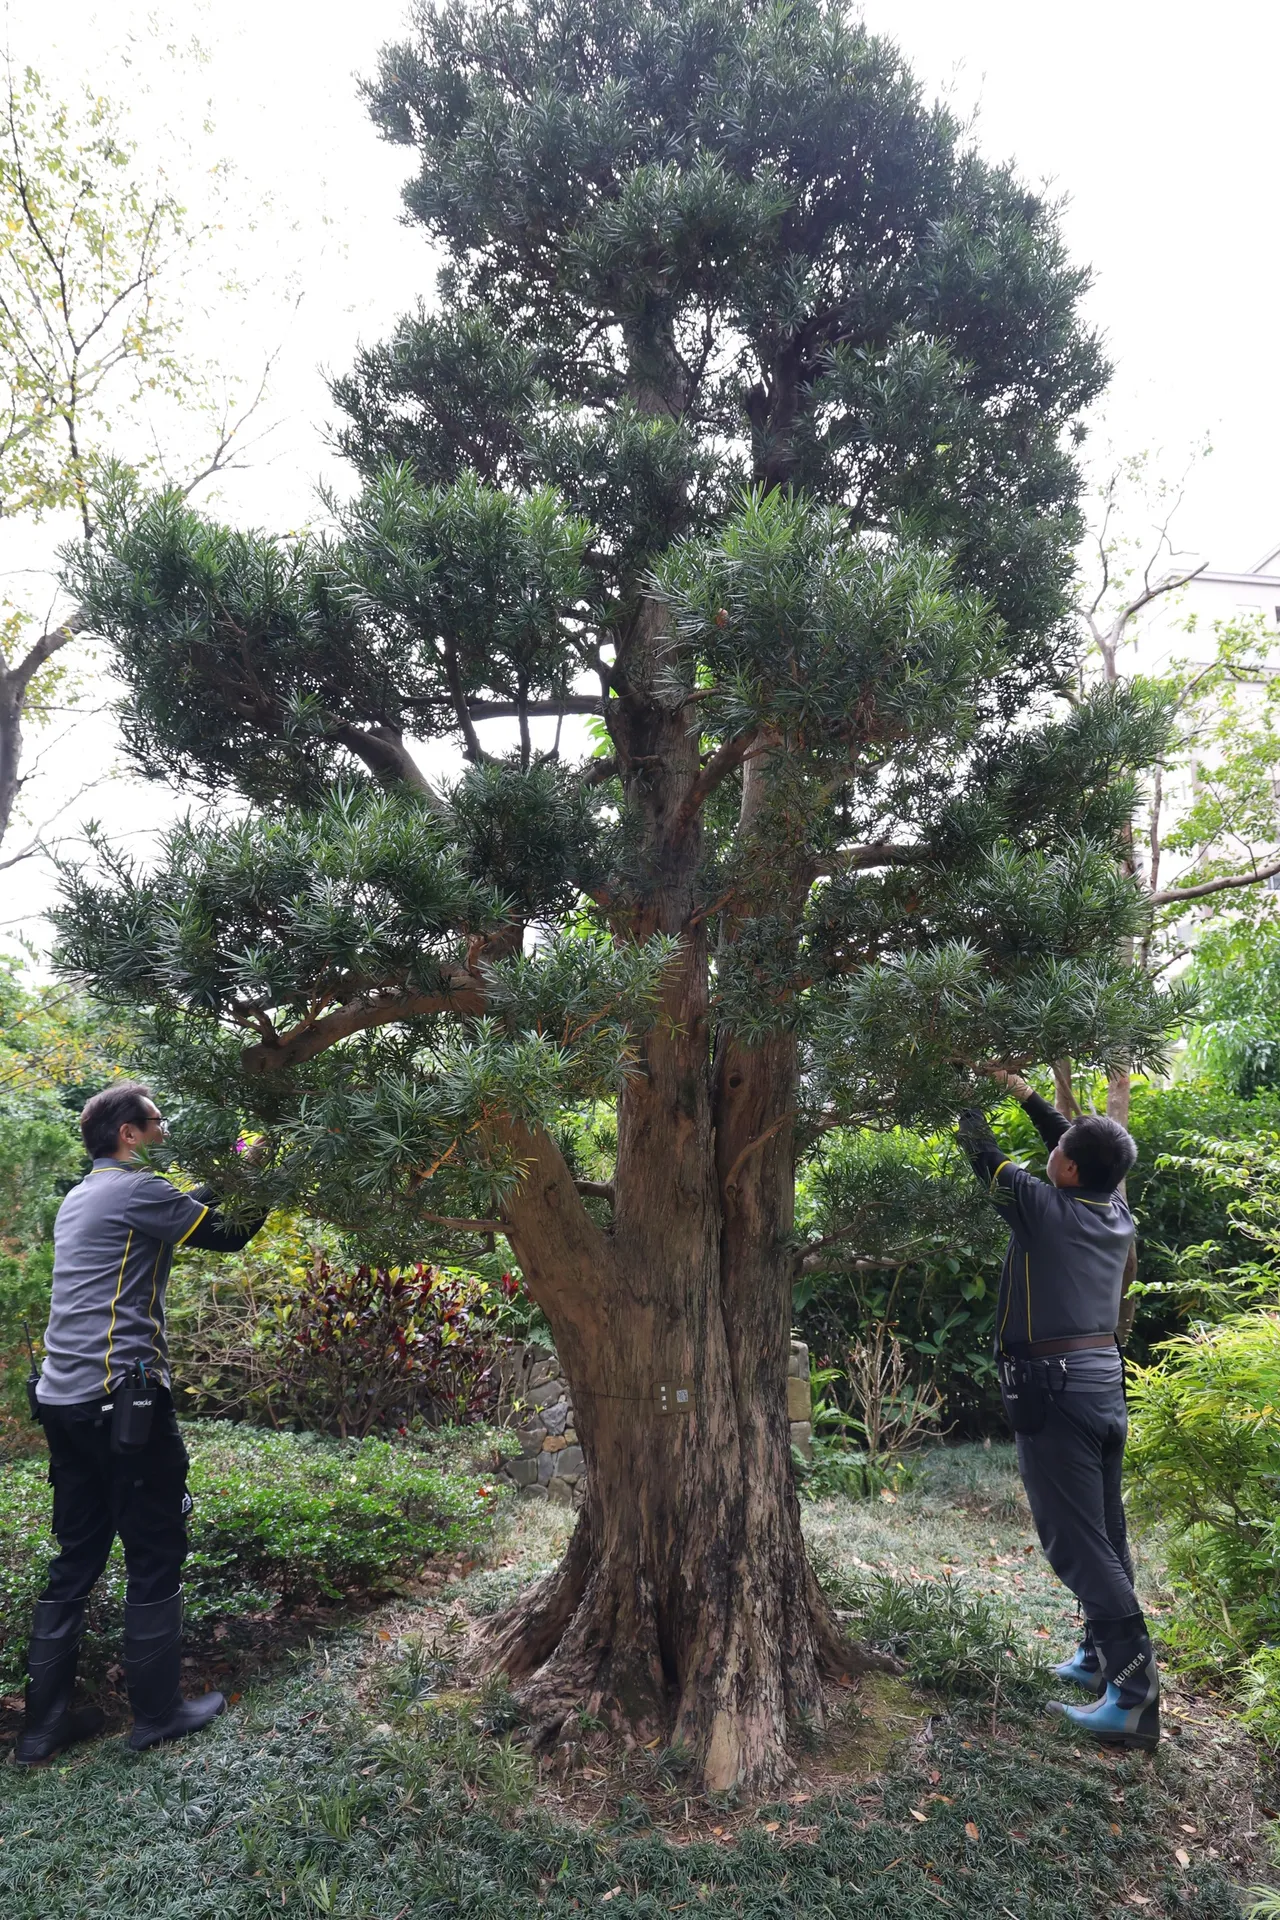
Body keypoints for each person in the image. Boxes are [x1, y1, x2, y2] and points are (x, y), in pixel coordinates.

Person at [17, 1082, 268, 1767]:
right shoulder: (136, 1190)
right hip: (121, 1405)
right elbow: (227, 1232)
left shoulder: (85, 1193)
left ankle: (41, 1730)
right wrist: (262, 1164)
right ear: (129, 1133)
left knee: (76, 1557)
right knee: (155, 1546)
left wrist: (239, 1160)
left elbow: (194, 1206)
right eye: (157, 1121)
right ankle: (157, 1714)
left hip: (64, 1403)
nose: (165, 1129)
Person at [956, 1072, 1158, 1753]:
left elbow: (984, 1154)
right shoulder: (1112, 1206)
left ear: (1068, 1169)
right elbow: (1077, 1146)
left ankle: (1133, 1697)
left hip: (1056, 1389)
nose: (1054, 1150)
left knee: (1077, 1541)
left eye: (1060, 1150)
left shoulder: (1043, 1209)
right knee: (1104, 1531)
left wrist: (961, 1090)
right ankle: (1099, 1658)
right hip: (1100, 1382)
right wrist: (1025, 1094)